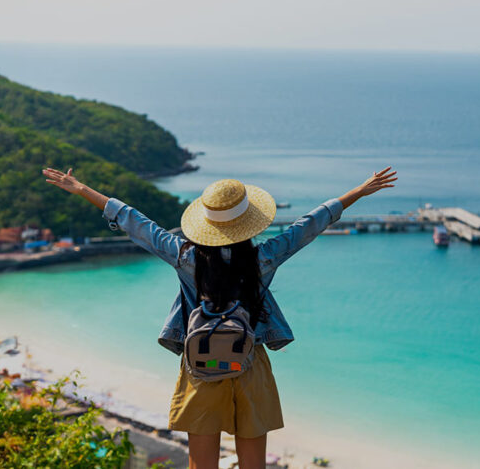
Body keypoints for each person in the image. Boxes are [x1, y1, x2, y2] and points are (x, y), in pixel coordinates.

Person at [42, 166, 397, 469]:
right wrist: (359, 192)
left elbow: (137, 223)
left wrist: (81, 188)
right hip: (249, 363)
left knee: (202, 464)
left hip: (200, 364)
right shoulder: (263, 259)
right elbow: (309, 225)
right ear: (249, 223)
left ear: (204, 223)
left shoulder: (184, 256)